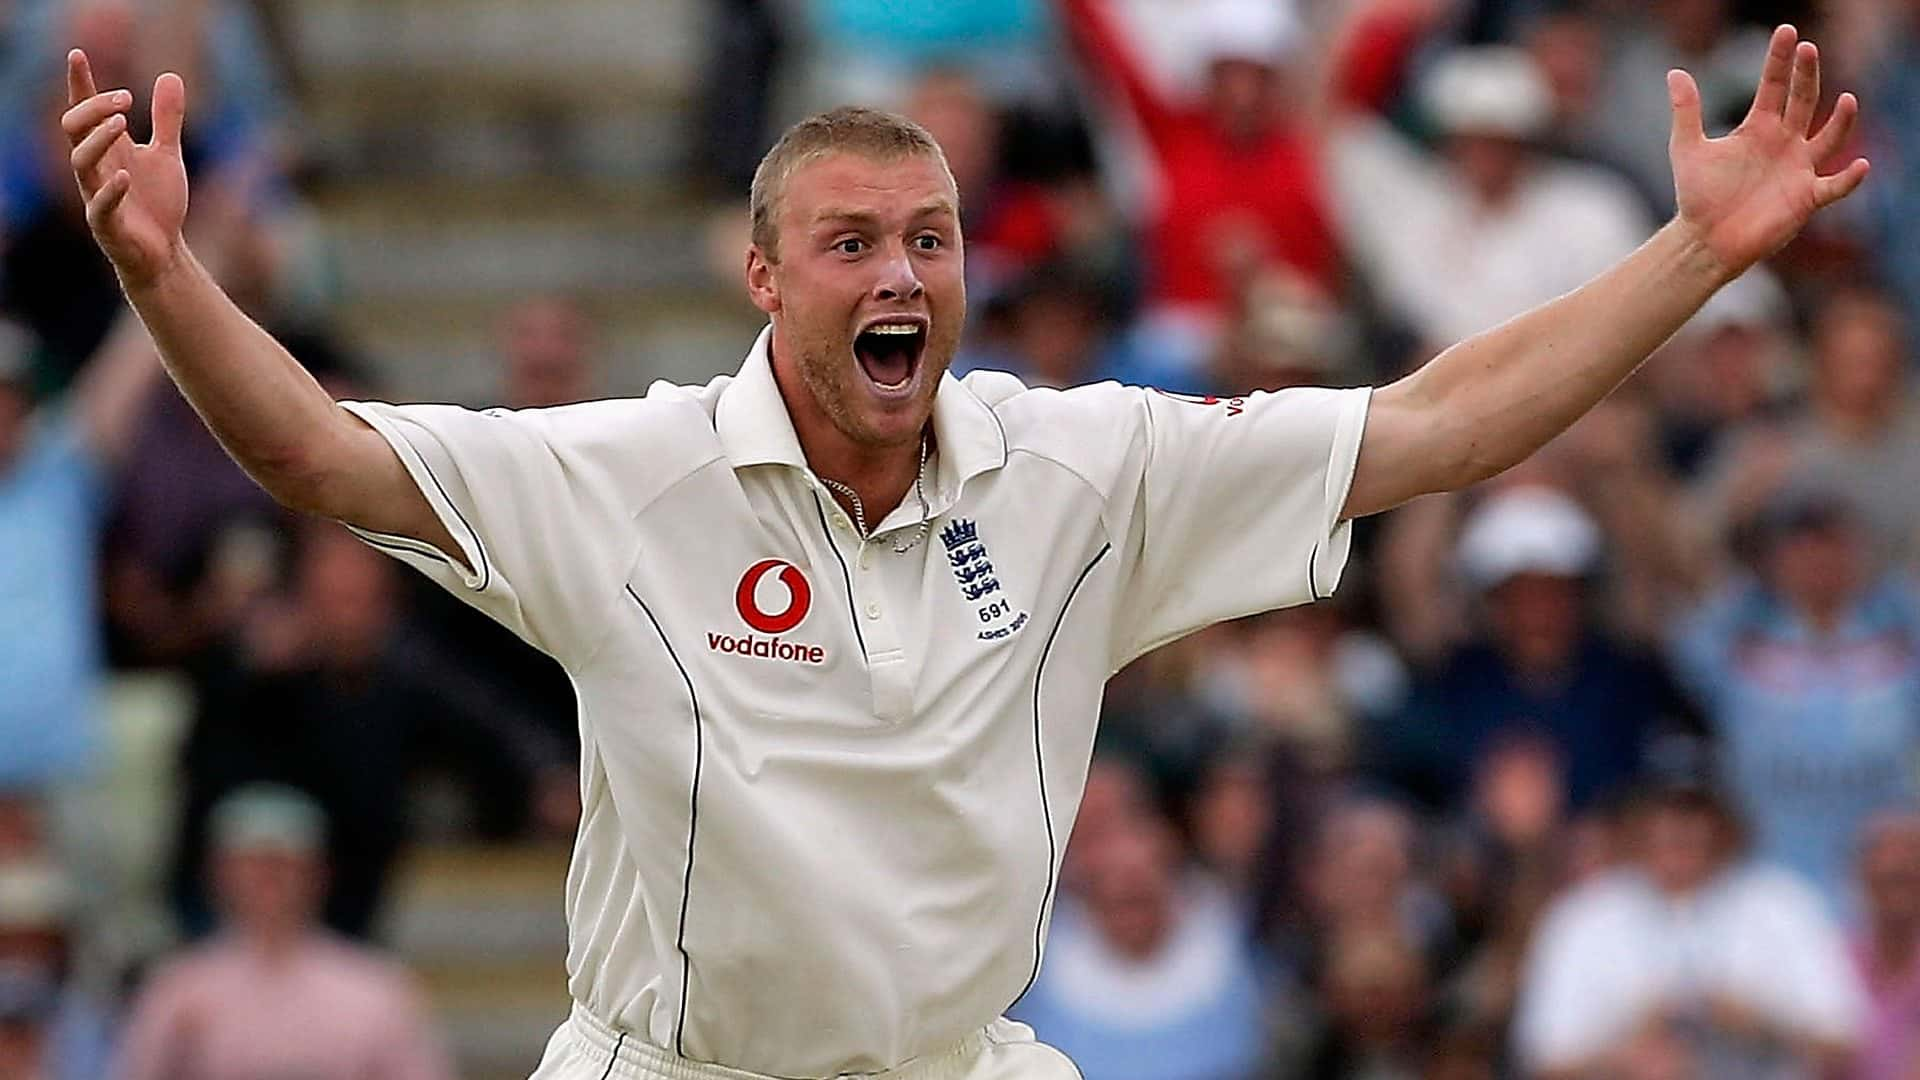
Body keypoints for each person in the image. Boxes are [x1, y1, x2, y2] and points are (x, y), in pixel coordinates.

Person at [58, 21, 1870, 1078]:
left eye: (929, 239)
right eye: (850, 244)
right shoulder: (621, 473)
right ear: (763, 278)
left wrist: (1697, 258)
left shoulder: (1081, 469)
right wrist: (159, 270)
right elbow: (310, 451)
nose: (903, 275)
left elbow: (1440, 424)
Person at [1513, 779, 1863, 1078]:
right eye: (1664, 816)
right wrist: (1622, 1052)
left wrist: (1760, 1024)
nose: (1679, 833)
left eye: (1695, 816)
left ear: (1726, 825)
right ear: (1634, 826)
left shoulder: (1782, 903)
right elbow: (1542, 1062)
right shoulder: (1583, 916)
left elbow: (1844, 1046)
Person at [115, 784, 455, 1080]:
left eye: (284, 864)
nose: (269, 880)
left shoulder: (376, 988)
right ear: (218, 873)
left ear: (319, 874)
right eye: (253, 864)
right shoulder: (177, 989)